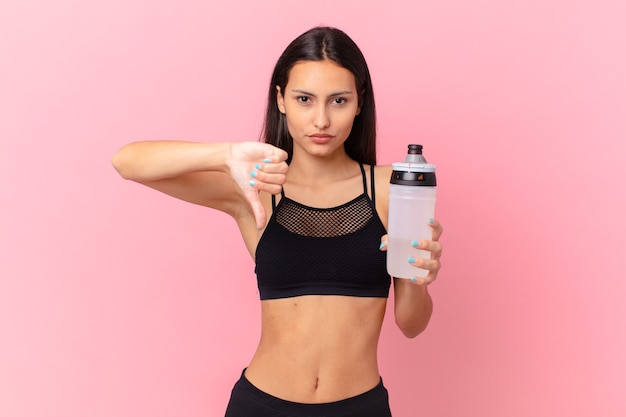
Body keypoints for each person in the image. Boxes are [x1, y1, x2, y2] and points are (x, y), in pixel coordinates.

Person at [112, 26, 442, 417]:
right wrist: (226, 155)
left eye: (338, 100)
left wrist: (420, 276)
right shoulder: (257, 187)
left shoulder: (392, 188)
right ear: (281, 99)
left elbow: (410, 323)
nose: (321, 119)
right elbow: (128, 162)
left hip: (361, 407)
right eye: (305, 99)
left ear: (359, 102)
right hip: (262, 406)